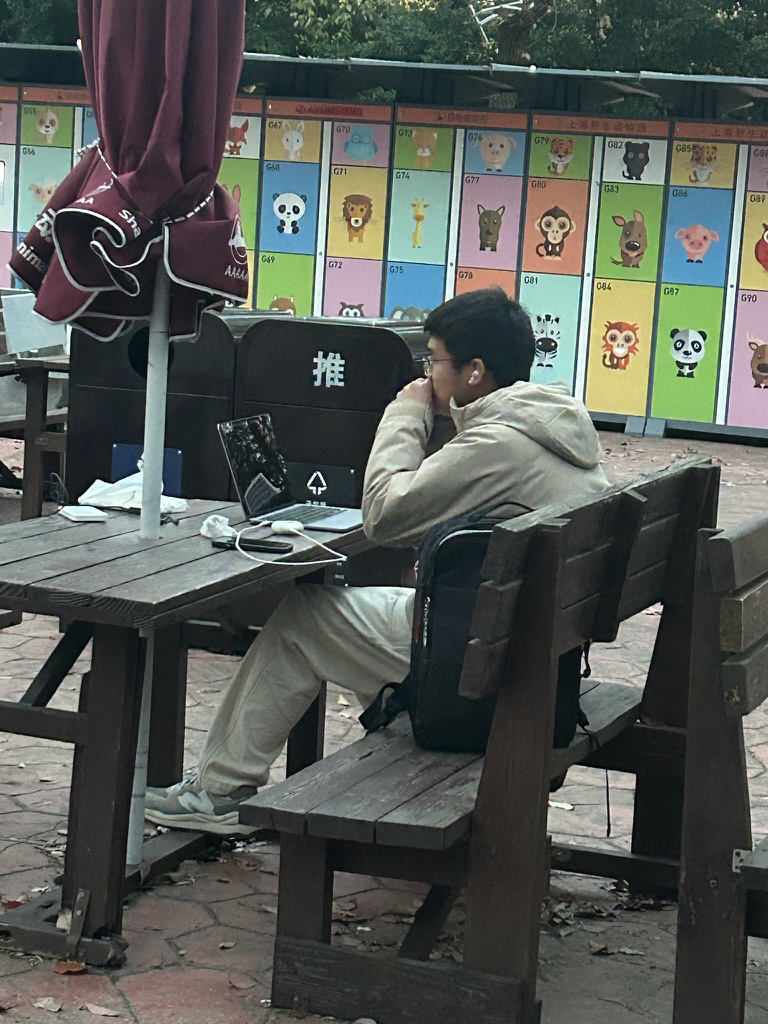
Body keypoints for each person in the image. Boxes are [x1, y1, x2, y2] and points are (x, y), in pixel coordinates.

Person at [145, 287, 610, 834]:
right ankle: (396, 730)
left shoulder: (499, 445)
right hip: (531, 648)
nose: (426, 375)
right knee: (348, 618)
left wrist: (404, 415)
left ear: (475, 372)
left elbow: (384, 517)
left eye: (433, 361)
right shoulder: (550, 423)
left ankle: (220, 791)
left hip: (490, 663)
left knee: (305, 617)